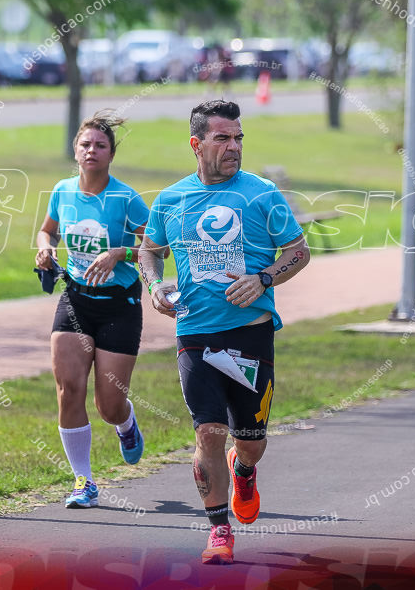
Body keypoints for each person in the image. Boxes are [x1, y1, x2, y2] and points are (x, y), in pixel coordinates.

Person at [138, 100, 311, 564]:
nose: (234, 147)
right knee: (210, 432)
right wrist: (154, 287)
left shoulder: (261, 194)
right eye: (222, 138)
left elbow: (298, 250)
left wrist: (264, 278)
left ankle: (244, 469)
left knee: (250, 443)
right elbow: (149, 251)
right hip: (194, 332)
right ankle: (218, 530)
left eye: (238, 138)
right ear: (196, 144)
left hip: (250, 332)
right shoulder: (171, 199)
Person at [35, 111, 152, 509]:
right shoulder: (63, 191)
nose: (91, 151)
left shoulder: (126, 198)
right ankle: (83, 481)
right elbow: (47, 229)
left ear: (111, 154)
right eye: (85, 144)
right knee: (69, 390)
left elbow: (159, 248)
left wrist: (121, 252)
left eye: (100, 145)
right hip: (76, 298)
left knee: (108, 403)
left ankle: (126, 423)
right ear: (75, 149)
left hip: (120, 305)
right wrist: (46, 249)